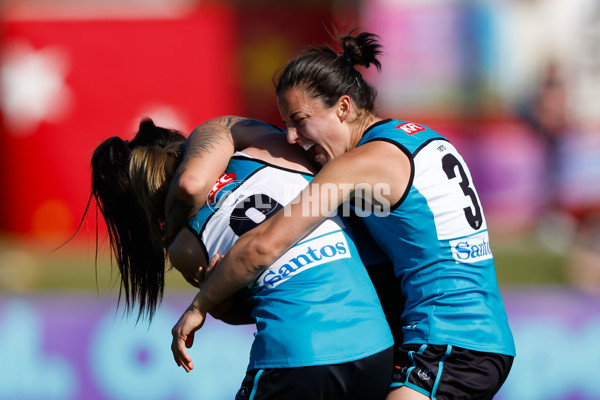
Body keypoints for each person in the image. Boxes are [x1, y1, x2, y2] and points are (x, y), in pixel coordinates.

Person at [167, 30, 516, 400]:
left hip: (448, 341)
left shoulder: (359, 165)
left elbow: (265, 245)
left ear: (344, 108)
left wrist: (199, 305)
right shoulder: (411, 137)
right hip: (468, 333)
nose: (290, 137)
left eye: (299, 120)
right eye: (285, 122)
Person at [90, 117, 395, 400]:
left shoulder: (184, 244)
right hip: (375, 348)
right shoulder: (271, 151)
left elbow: (243, 303)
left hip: (296, 355)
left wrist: (213, 305)